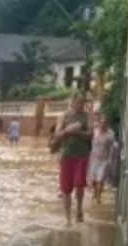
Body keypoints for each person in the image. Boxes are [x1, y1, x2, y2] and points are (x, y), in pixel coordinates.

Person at [54, 91, 93, 226]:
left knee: (79, 184)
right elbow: (57, 134)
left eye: (82, 102)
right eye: (78, 102)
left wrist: (78, 132)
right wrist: (68, 130)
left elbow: (90, 135)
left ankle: (79, 208)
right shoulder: (64, 116)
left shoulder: (86, 117)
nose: (80, 105)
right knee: (65, 188)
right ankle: (68, 218)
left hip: (81, 156)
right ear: (72, 103)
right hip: (66, 155)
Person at [88, 113, 116, 204]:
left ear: (107, 124)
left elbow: (111, 147)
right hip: (93, 159)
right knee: (93, 180)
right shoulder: (94, 131)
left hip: (104, 159)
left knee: (100, 179)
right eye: (101, 122)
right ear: (98, 123)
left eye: (104, 122)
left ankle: (98, 198)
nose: (102, 124)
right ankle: (95, 192)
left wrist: (110, 158)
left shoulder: (110, 133)